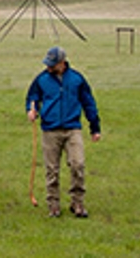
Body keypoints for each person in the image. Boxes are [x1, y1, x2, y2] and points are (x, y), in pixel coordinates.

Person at [26, 46, 102, 218]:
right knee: (52, 169)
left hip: (72, 128)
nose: (49, 67)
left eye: (52, 65)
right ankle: (53, 205)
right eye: (48, 64)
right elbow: (32, 97)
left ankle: (77, 203)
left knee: (78, 164)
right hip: (50, 130)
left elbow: (88, 103)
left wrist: (94, 127)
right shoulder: (41, 79)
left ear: (62, 63)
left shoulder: (77, 79)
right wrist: (31, 110)